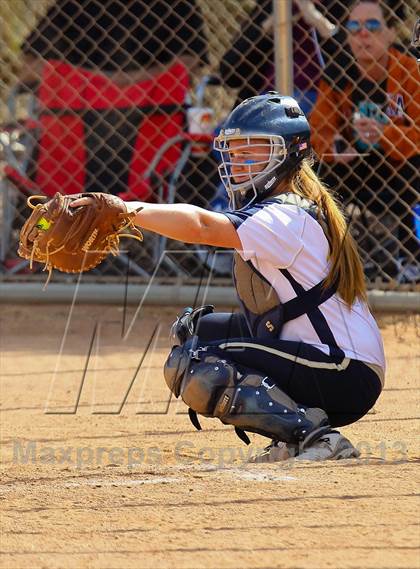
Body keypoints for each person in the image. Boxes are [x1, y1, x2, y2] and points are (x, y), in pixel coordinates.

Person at [72, 92, 385, 461]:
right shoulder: (280, 209)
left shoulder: (285, 217)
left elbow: (203, 225)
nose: (238, 164)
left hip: (344, 372)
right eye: (234, 153)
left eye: (252, 152)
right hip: (332, 364)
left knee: (197, 363)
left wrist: (126, 209)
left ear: (289, 153)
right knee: (195, 330)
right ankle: (295, 428)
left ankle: (315, 438)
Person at [16, 0, 208, 199]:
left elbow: (30, 68)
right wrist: (135, 82)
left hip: (66, 181)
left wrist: (89, 81)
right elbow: (189, 63)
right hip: (149, 177)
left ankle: (44, 226)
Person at [310, 0, 419, 282]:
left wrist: (385, 134)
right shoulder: (337, 76)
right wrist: (334, 146)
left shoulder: (410, 72)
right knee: (319, 173)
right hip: (356, 168)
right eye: (354, 27)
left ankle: (411, 260)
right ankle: (336, 259)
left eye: (372, 26)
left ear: (391, 33)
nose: (362, 34)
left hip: (403, 170)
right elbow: (318, 131)